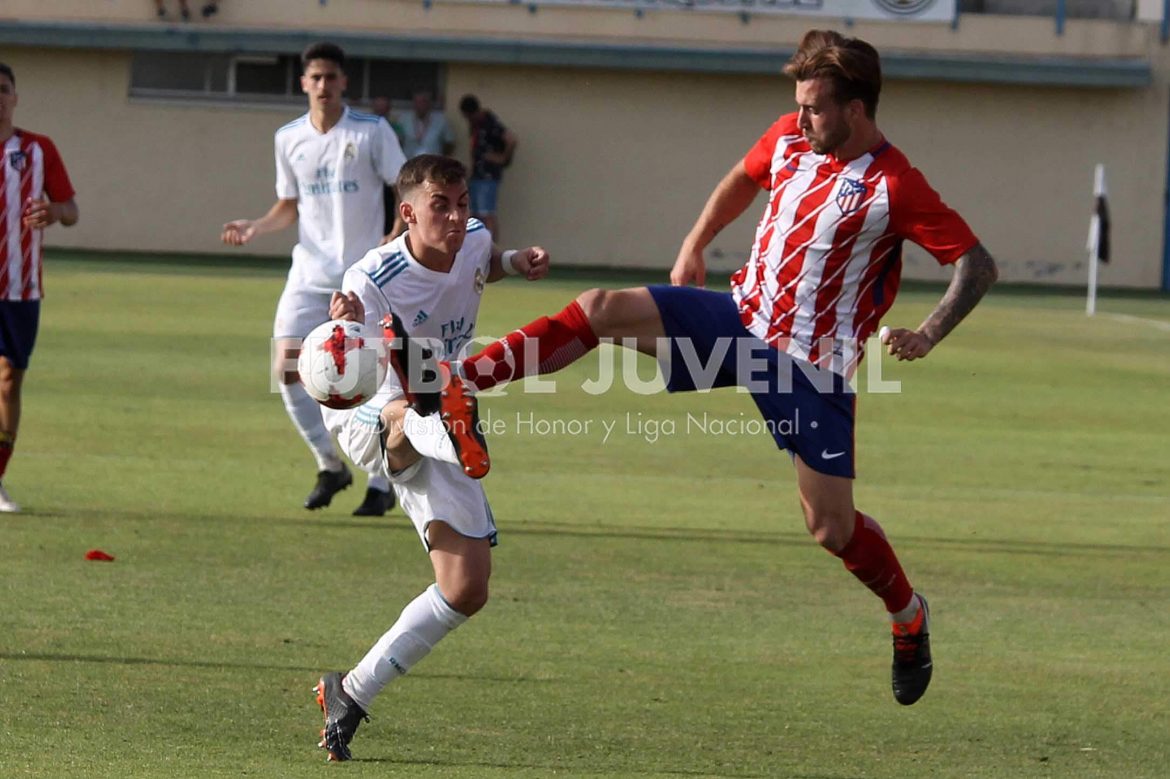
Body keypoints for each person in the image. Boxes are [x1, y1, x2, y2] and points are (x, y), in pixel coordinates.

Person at [442, 29, 998, 707]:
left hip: (808, 368)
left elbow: (976, 264)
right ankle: (462, 382)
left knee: (831, 528)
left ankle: (908, 615)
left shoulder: (895, 185)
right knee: (600, 309)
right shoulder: (789, 139)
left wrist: (929, 333)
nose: (800, 118)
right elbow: (743, 178)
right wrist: (695, 242)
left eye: (814, 108)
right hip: (738, 318)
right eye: (798, 104)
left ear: (855, 110)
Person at [310, 153, 549, 762]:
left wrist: (516, 262)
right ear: (409, 213)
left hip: (440, 403)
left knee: (467, 588)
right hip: (367, 409)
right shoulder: (373, 275)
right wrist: (347, 321)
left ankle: (350, 691)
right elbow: (347, 350)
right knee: (406, 406)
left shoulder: (474, 239)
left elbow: (483, 263)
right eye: (441, 206)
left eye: (462, 203)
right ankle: (437, 427)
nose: (457, 216)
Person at [221, 42, 407, 516]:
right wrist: (256, 226)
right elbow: (290, 205)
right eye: (315, 78)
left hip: (363, 277)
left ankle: (380, 482)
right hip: (309, 272)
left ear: (344, 82)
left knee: (376, 376)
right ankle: (330, 464)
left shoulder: (371, 131)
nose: (323, 85)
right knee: (287, 367)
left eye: (331, 77)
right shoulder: (288, 138)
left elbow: (404, 188)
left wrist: (393, 238)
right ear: (303, 83)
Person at [0, 63, 80, 513]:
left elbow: (71, 210)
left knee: (9, 381)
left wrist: (55, 212)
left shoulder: (38, 149)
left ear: (15, 97)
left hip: (20, 288)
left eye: (3, 89)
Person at [457, 94, 516, 239]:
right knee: (475, 214)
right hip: (477, 175)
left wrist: (503, 158)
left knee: (487, 213)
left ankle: (490, 247)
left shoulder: (490, 123)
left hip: (488, 176)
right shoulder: (476, 126)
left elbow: (511, 139)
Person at [370, 96, 407, 236]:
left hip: (390, 175)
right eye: (378, 107)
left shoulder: (391, 127)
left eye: (383, 108)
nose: (380, 111)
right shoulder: (369, 129)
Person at [398, 90, 456, 160]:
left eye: (424, 102)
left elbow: (449, 142)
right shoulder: (404, 119)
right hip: (409, 161)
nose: (420, 105)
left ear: (429, 104)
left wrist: (442, 159)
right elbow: (398, 141)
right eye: (418, 102)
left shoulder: (441, 120)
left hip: (433, 163)